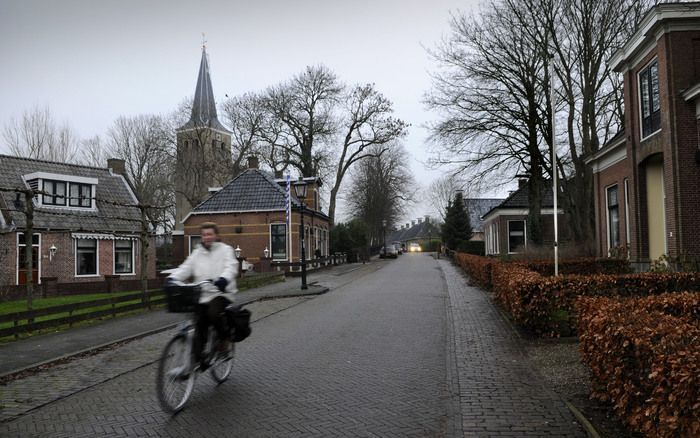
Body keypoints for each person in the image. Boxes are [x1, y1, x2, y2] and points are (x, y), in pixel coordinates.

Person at [167, 222, 238, 370]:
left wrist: (223, 279)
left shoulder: (226, 250)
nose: (207, 237)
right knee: (199, 322)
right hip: (202, 293)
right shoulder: (197, 252)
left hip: (221, 293)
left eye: (210, 234)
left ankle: (224, 341)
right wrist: (173, 278)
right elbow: (185, 268)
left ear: (216, 235)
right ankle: (199, 358)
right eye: (204, 234)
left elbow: (231, 267)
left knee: (213, 313)